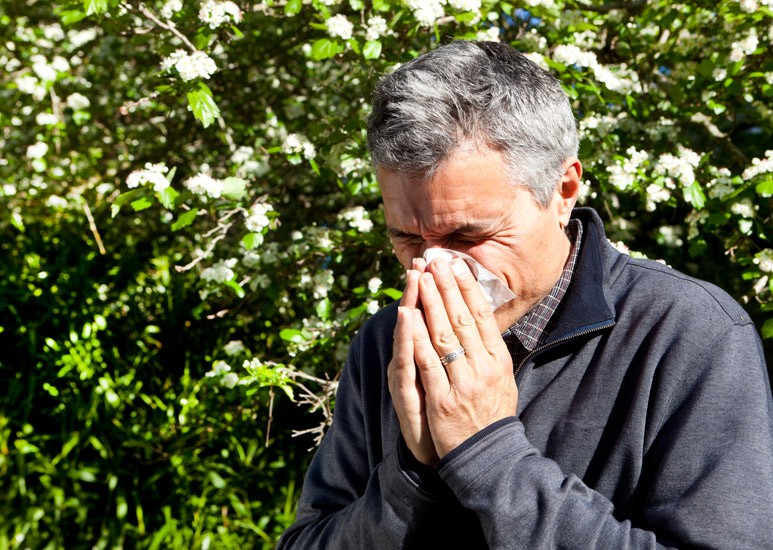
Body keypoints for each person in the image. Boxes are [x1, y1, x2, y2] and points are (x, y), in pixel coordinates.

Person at [278, 41, 773, 548]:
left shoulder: (690, 334)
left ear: (562, 192)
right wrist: (411, 478)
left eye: (468, 235)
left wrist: (489, 455)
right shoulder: (387, 340)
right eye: (406, 237)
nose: (435, 267)